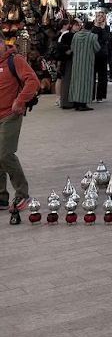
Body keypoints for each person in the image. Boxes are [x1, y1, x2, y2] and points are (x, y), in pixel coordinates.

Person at [0, 40, 40, 213]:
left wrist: (20, 100)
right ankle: (1, 197)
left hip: (10, 114)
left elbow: (33, 81)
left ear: (2, 43)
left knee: (5, 154)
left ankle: (23, 194)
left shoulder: (14, 60)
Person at [66, 19, 101, 111]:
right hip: (87, 63)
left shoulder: (76, 35)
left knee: (76, 82)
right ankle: (83, 104)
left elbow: (72, 48)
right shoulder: (93, 36)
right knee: (86, 83)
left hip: (76, 63)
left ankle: (76, 103)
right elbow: (97, 48)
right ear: (92, 28)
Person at [89, 11, 112, 101]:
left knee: (102, 76)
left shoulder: (106, 27)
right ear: (95, 17)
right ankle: (91, 95)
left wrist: (103, 29)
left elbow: (106, 39)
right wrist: (97, 27)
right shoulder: (92, 27)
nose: (100, 18)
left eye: (102, 16)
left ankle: (100, 96)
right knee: (91, 75)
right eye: (98, 16)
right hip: (93, 54)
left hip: (103, 54)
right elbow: (92, 37)